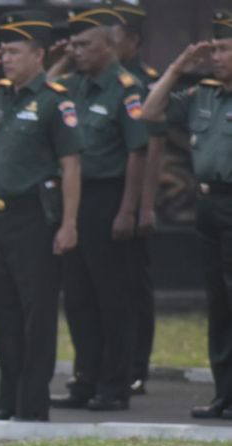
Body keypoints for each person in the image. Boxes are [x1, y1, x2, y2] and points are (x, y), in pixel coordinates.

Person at [0, 11, 82, 422]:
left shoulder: (54, 101)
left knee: (36, 316)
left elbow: (72, 165)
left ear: (38, 54)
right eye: (3, 52)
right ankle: (7, 402)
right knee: (1, 315)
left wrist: (69, 224)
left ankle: (32, 405)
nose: (6, 59)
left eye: (14, 52)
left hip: (36, 218)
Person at [47, 5, 148, 412]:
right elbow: (44, 93)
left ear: (109, 45)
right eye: (74, 44)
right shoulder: (71, 83)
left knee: (112, 297)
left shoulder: (126, 87)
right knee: (78, 297)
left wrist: (128, 210)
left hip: (108, 196)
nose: (78, 50)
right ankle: (84, 380)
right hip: (74, 200)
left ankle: (113, 383)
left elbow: (137, 153)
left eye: (86, 44)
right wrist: (63, 59)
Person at [142, 11, 232, 420]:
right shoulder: (203, 95)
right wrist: (178, 67)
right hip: (208, 206)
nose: (216, 57)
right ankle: (224, 393)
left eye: (225, 49)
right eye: (214, 49)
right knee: (219, 303)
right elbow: (150, 111)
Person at [109, 0, 161, 396]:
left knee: (134, 286)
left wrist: (145, 204)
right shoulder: (100, 78)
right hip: (105, 197)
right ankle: (114, 363)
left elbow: (150, 150)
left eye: (114, 39)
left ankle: (138, 364)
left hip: (133, 196)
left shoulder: (143, 83)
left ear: (133, 41)